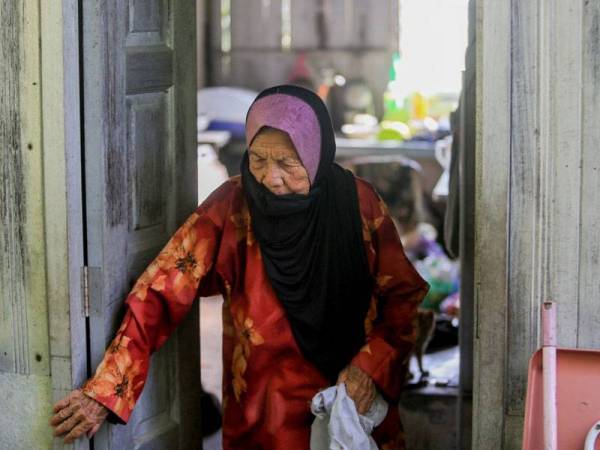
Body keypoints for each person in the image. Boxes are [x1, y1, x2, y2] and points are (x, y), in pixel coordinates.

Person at [50, 85, 428, 449]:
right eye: (258, 158)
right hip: (265, 408)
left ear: (315, 153)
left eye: (287, 162)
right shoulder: (234, 204)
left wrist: (370, 367)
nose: (270, 177)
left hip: (351, 393)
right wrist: (107, 388)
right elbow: (162, 288)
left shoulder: (358, 204)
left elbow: (402, 295)